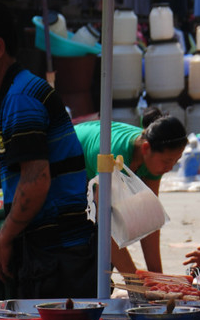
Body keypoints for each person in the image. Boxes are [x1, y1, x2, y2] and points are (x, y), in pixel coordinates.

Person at [0, 0, 97, 313]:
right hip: (55, 254)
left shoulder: (20, 99)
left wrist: (5, 237)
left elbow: (36, 181)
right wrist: (2, 230)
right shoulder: (18, 93)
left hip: (57, 258)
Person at [75, 109, 187, 273]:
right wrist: (133, 279)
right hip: (68, 160)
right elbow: (104, 226)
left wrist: (157, 276)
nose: (170, 168)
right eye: (167, 161)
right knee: (88, 247)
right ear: (146, 148)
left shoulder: (152, 157)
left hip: (93, 160)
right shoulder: (115, 157)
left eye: (175, 162)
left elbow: (149, 217)